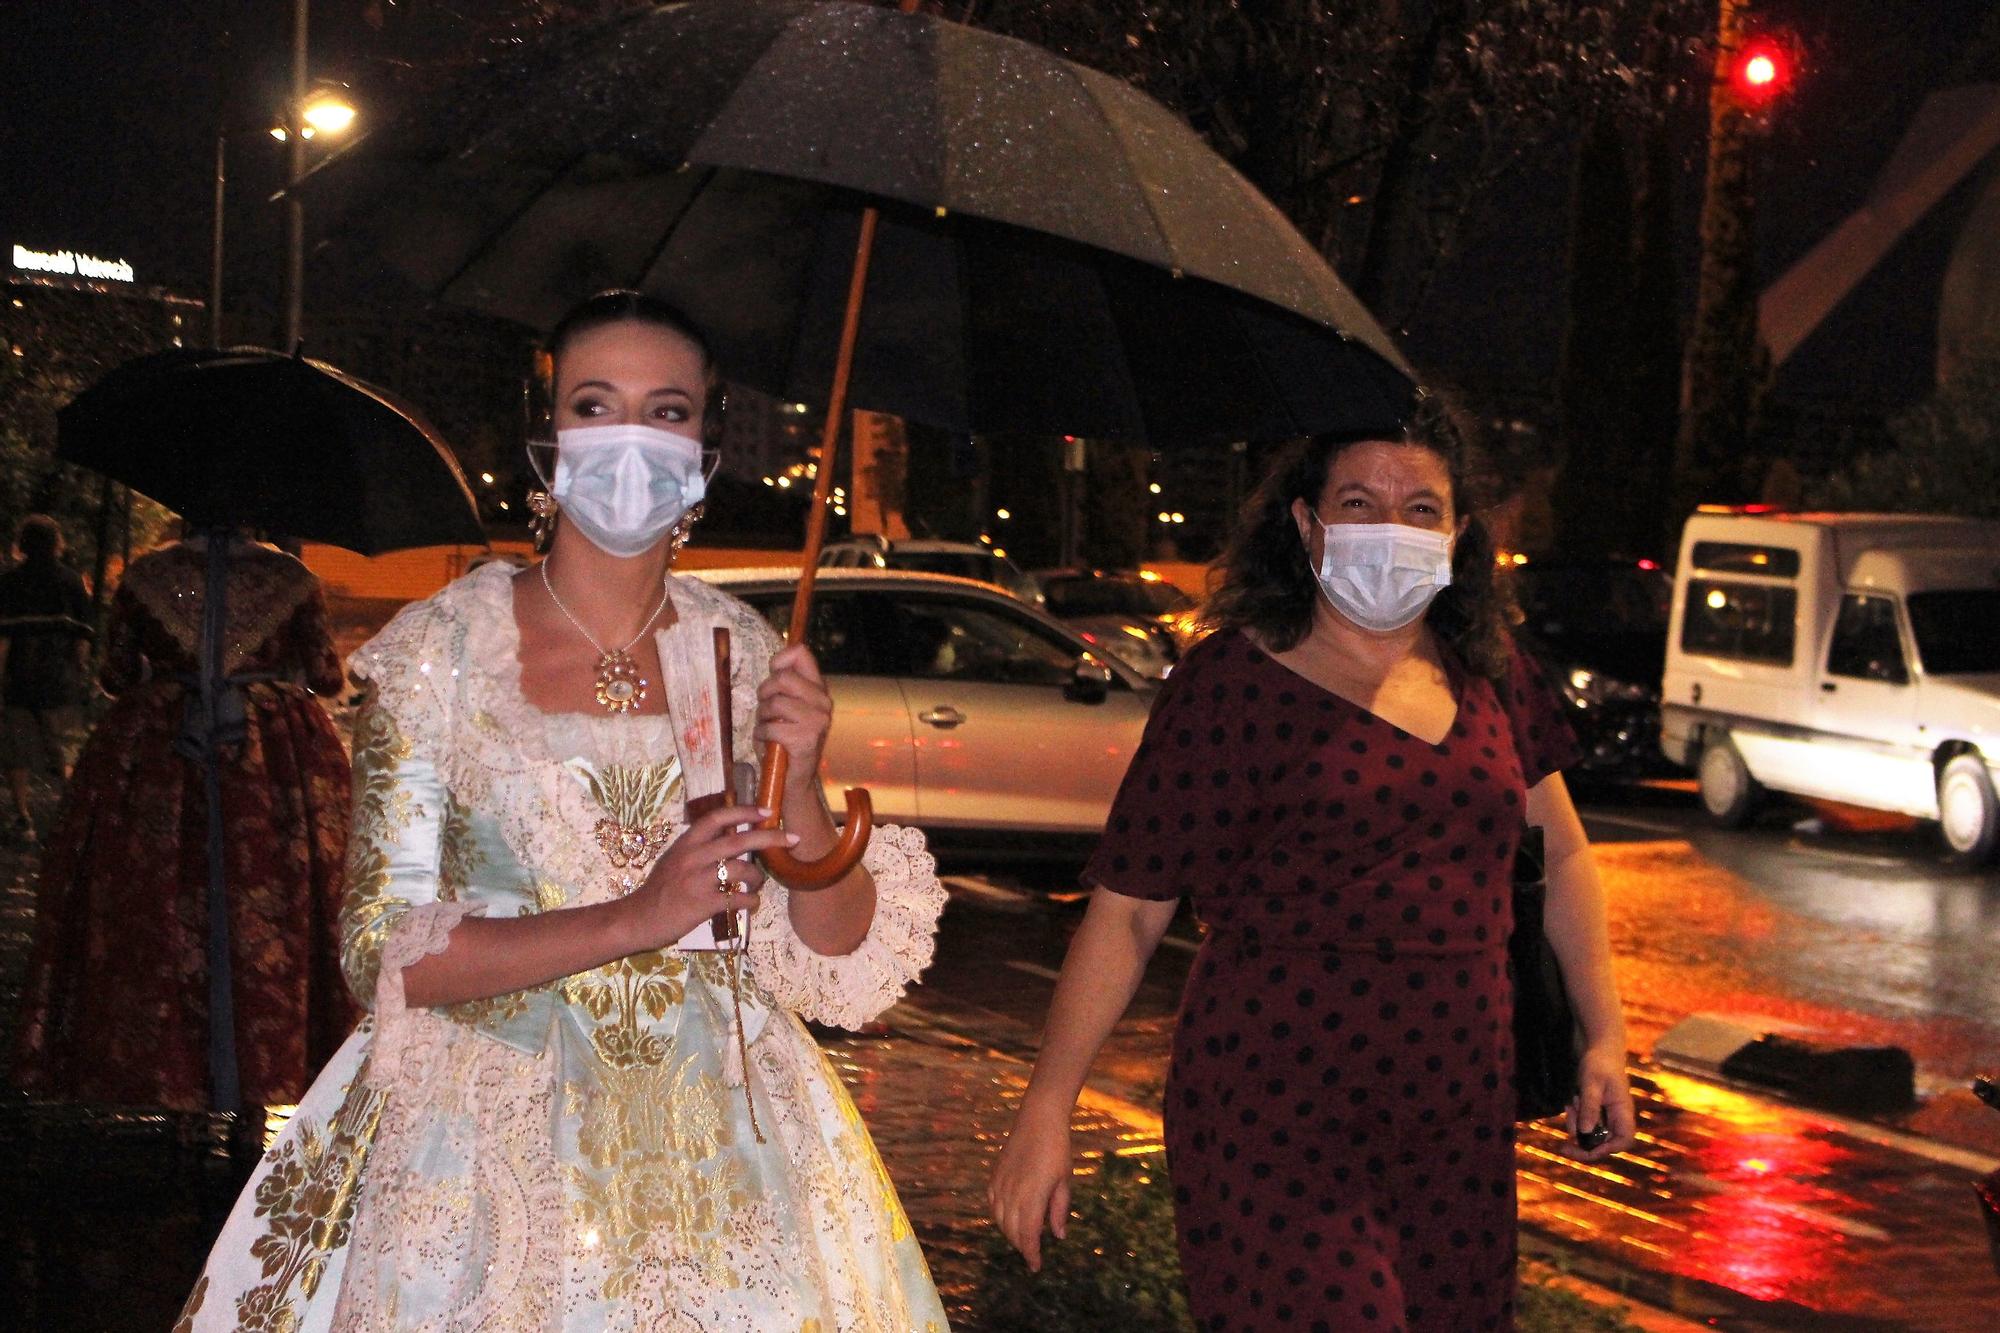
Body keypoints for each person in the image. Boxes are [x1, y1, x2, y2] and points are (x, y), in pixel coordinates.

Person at [176, 291, 950, 1330]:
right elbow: (379, 950)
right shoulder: (440, 651)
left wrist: (801, 778)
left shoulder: (746, 652)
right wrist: (631, 917)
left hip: (731, 1147)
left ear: (706, 452)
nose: (632, 437)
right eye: (598, 404)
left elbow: (834, 952)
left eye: (666, 411)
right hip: (482, 1149)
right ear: (548, 442)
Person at [990, 403, 1637, 1332]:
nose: (1391, 529)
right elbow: (1129, 912)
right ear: (1306, 523)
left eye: (1421, 508)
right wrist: (1047, 1104)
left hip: (1458, 1122)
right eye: (1360, 501)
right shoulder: (1231, 684)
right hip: (1274, 1117)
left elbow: (1565, 852)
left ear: (1458, 533)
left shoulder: (1489, 672)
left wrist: (1602, 1033)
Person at [12, 525, 356, 1117]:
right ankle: (265, 1073)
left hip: (159, 749)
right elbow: (326, 674)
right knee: (277, 900)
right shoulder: (293, 580)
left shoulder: (147, 576)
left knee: (156, 899)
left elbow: (116, 674)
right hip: (274, 754)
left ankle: (170, 1078)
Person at [0, 514, 95, 842]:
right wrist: (79, 670)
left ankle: (24, 817)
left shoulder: (10, 582)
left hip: (19, 676)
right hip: (59, 676)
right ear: (57, 542)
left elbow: (4, 639)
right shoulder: (71, 581)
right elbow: (83, 635)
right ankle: (71, 816)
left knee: (17, 749)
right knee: (62, 747)